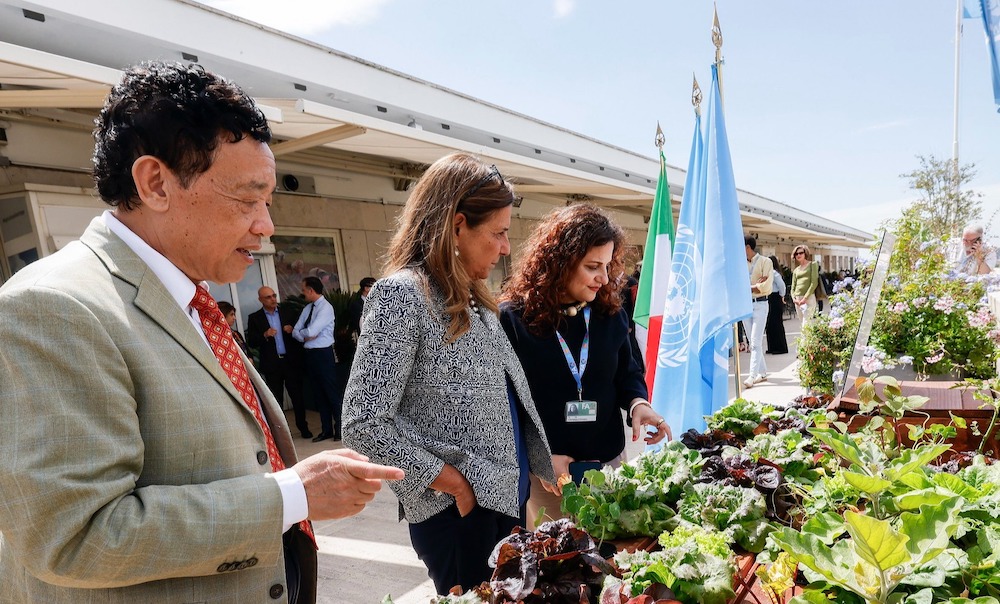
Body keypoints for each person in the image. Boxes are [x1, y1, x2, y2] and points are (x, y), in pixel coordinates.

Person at [0, 61, 404, 604]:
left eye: (269, 201)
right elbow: (77, 537)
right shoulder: (54, 307)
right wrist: (292, 495)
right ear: (156, 183)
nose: (266, 225)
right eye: (247, 198)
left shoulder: (187, 297)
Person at [342, 152, 554, 595]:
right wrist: (456, 485)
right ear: (457, 226)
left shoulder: (472, 294)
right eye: (497, 233)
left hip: (499, 500)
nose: (505, 247)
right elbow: (363, 424)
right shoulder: (401, 295)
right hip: (459, 514)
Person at [499, 204, 669, 529]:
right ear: (560, 262)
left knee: (611, 556)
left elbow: (628, 372)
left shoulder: (610, 311)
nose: (603, 278)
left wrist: (638, 404)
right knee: (558, 564)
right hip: (549, 477)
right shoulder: (513, 319)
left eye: (607, 265)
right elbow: (505, 409)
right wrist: (540, 460)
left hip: (608, 464)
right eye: (593, 266)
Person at [247, 285, 311, 438]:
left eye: (274, 295)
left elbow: (300, 333)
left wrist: (293, 330)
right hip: (272, 365)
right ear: (260, 300)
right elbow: (252, 341)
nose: (273, 299)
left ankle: (303, 428)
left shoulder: (288, 312)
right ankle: (282, 434)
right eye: (268, 297)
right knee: (276, 400)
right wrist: (265, 334)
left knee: (297, 397)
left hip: (290, 362)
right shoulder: (255, 318)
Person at [293, 276, 341, 442]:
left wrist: (305, 334)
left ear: (311, 290)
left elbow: (311, 331)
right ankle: (326, 429)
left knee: (331, 392)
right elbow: (295, 332)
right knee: (318, 394)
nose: (303, 293)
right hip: (310, 355)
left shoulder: (325, 308)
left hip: (323, 354)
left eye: (304, 290)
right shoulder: (308, 309)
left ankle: (340, 429)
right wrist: (305, 336)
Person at [743, 235, 773, 389]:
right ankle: (762, 372)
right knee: (752, 341)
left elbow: (766, 286)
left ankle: (752, 376)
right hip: (745, 305)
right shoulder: (740, 264)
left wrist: (750, 287)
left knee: (754, 342)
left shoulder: (766, 262)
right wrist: (754, 286)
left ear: (747, 247)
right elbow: (738, 284)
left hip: (761, 305)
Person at [764, 255, 789, 355]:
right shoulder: (768, 273)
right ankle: (772, 346)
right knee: (769, 324)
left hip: (775, 297)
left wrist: (782, 296)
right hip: (769, 297)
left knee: (776, 324)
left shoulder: (774, 273)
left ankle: (780, 347)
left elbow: (781, 285)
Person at [790, 244, 819, 327]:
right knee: (803, 322)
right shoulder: (796, 270)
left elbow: (814, 283)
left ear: (805, 253)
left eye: (800, 253)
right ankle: (809, 339)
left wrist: (805, 298)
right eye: (796, 254)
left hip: (808, 298)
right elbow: (793, 286)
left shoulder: (812, 265)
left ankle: (804, 340)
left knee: (806, 323)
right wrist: (794, 298)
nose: (798, 255)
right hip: (798, 299)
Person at [348, 276, 376, 342]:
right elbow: (356, 323)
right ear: (366, 288)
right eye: (374, 287)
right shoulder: (356, 305)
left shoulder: (377, 302)